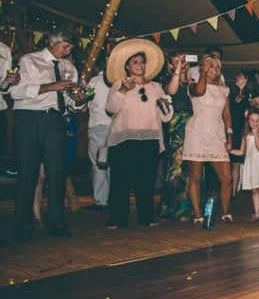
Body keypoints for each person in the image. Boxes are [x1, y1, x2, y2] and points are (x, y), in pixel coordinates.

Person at [10, 28, 87, 240]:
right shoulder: (29, 61)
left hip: (56, 120)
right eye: (66, 46)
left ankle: (57, 222)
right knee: (28, 173)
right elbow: (15, 92)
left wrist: (79, 100)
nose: (68, 51)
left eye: (70, 47)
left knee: (57, 172)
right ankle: (23, 226)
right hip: (29, 118)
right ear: (52, 42)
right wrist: (53, 86)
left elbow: (71, 102)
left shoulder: (69, 67)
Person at [104, 39, 173, 229]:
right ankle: (117, 218)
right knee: (120, 182)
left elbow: (166, 117)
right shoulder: (118, 85)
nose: (140, 65)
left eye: (142, 62)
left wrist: (166, 105)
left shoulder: (155, 88)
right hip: (124, 139)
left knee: (146, 181)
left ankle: (147, 217)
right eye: (135, 62)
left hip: (149, 138)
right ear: (127, 66)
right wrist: (124, 91)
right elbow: (110, 108)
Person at [183, 54, 234, 225]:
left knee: (227, 178)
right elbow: (200, 91)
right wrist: (202, 74)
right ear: (202, 68)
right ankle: (198, 215)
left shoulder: (224, 90)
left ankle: (225, 212)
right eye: (209, 65)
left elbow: (227, 116)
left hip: (217, 134)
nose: (214, 68)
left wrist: (229, 136)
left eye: (217, 66)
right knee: (196, 176)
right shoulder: (192, 85)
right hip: (197, 133)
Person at [158, 52, 194, 221]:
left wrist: (186, 71)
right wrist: (179, 69)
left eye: (183, 59)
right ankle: (170, 209)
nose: (182, 62)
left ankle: (185, 208)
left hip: (191, 129)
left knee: (189, 170)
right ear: (170, 65)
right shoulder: (167, 82)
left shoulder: (186, 84)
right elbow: (170, 91)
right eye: (177, 61)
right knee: (176, 169)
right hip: (177, 131)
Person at [85, 54, 112, 211]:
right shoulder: (120, 80)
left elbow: (85, 104)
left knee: (99, 164)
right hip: (116, 127)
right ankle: (113, 197)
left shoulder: (94, 82)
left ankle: (102, 200)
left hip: (99, 126)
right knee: (113, 165)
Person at [228, 70, 251, 196]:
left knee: (236, 164)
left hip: (241, 131)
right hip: (230, 130)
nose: (236, 77)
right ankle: (227, 190)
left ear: (246, 80)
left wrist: (245, 135)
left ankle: (233, 192)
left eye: (240, 76)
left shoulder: (250, 96)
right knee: (228, 163)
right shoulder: (231, 95)